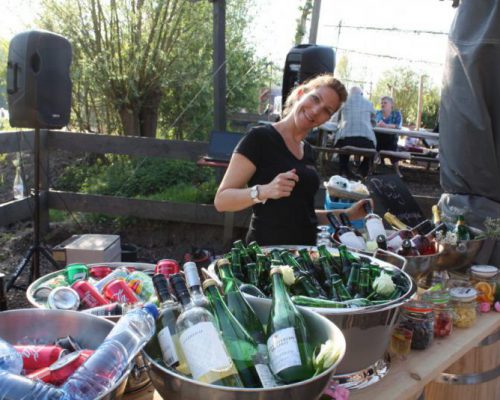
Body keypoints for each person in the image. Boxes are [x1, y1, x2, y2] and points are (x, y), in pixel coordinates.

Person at [214, 74, 370, 246]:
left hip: (305, 256)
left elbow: (305, 216)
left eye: (327, 110)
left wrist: (349, 214)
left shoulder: (309, 151)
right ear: (301, 93)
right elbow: (222, 200)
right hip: (267, 258)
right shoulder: (260, 138)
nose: (317, 110)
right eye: (315, 99)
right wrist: (264, 191)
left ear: (328, 119)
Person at [334, 86, 377, 178]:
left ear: (349, 94)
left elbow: (337, 121)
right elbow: (374, 122)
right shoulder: (369, 103)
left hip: (346, 140)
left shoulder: (342, 103)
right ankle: (362, 172)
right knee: (372, 148)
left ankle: (344, 170)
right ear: (361, 94)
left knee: (343, 144)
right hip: (366, 141)